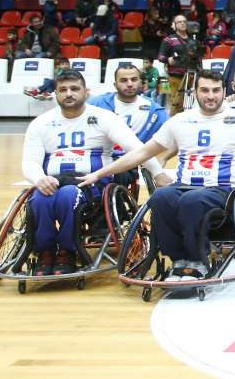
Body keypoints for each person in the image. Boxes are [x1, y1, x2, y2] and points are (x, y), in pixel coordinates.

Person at [78, 70, 235, 281]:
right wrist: (100, 173)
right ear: (195, 93)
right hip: (185, 185)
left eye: (215, 90)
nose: (210, 96)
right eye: (204, 90)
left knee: (191, 201)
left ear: (224, 92)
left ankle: (197, 261)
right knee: (161, 197)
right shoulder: (181, 120)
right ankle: (179, 260)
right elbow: (142, 152)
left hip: (224, 191)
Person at [22, 71, 169, 276]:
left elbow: (138, 149)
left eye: (74, 89)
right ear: (56, 94)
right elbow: (30, 161)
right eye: (63, 90)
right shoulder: (41, 123)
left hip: (93, 182)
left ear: (86, 92)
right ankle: (45, 252)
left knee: (68, 195)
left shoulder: (104, 117)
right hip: (54, 180)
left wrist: (158, 172)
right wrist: (39, 178)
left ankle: (67, 251)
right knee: (39, 198)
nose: (69, 94)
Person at [87, 64, 171, 185]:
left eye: (134, 79)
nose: (130, 84)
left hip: (129, 162)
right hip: (99, 157)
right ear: (115, 84)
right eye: (123, 80)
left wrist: (162, 158)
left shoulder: (156, 111)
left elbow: (173, 139)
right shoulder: (95, 104)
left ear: (141, 82)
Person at [156, 14, 203, 113]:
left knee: (190, 104)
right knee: (176, 103)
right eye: (179, 22)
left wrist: (200, 71)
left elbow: (199, 57)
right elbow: (160, 57)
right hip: (174, 77)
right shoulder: (169, 39)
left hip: (191, 76)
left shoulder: (193, 40)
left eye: (184, 21)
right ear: (175, 25)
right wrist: (168, 60)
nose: (182, 23)